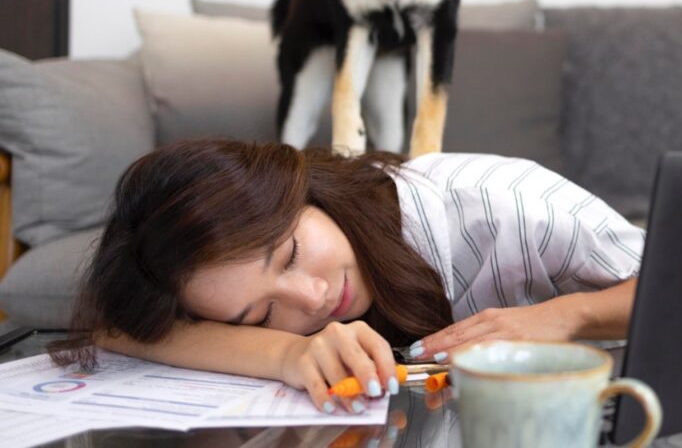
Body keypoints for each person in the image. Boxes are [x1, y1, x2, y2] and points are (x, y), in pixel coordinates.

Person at [51, 139, 644, 415]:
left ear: (304, 190)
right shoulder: (280, 311)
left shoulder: (501, 203)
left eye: (288, 255)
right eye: (259, 314)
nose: (311, 300)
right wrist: (283, 353)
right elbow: (115, 329)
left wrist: (566, 316)